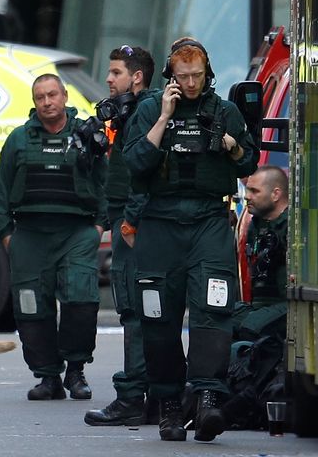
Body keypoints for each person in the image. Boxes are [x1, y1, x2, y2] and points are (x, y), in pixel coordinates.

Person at [123, 37, 258, 442]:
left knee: (213, 309)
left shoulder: (225, 111)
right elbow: (134, 165)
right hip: (160, 223)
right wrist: (164, 117)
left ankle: (208, 400)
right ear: (170, 77)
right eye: (184, 77)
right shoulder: (150, 109)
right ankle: (167, 403)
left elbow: (249, 161)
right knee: (158, 316)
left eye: (197, 75)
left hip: (209, 221)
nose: (192, 83)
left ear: (208, 74)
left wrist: (231, 144)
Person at [0, 73, 108, 402]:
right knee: (31, 307)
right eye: (40, 97)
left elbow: (106, 183)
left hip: (76, 233)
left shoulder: (86, 135)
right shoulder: (18, 139)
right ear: (34, 101)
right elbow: (0, 194)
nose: (47, 102)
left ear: (65, 96)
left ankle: (76, 371)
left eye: (53, 95)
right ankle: (47, 376)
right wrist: (7, 237)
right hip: (29, 234)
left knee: (81, 301)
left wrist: (98, 227)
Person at [85, 45, 159, 426]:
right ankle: (154, 398)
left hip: (135, 226)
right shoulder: (129, 113)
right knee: (142, 311)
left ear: (136, 77)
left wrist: (129, 221)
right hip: (127, 221)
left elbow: (143, 174)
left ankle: (132, 397)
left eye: (115, 72)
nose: (109, 80)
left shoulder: (144, 111)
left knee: (132, 308)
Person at [235, 165, 288, 342]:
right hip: (257, 304)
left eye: (254, 191)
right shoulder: (254, 225)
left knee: (251, 327)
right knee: (215, 322)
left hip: (289, 306)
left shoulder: (293, 227)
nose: (246, 196)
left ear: (276, 194)